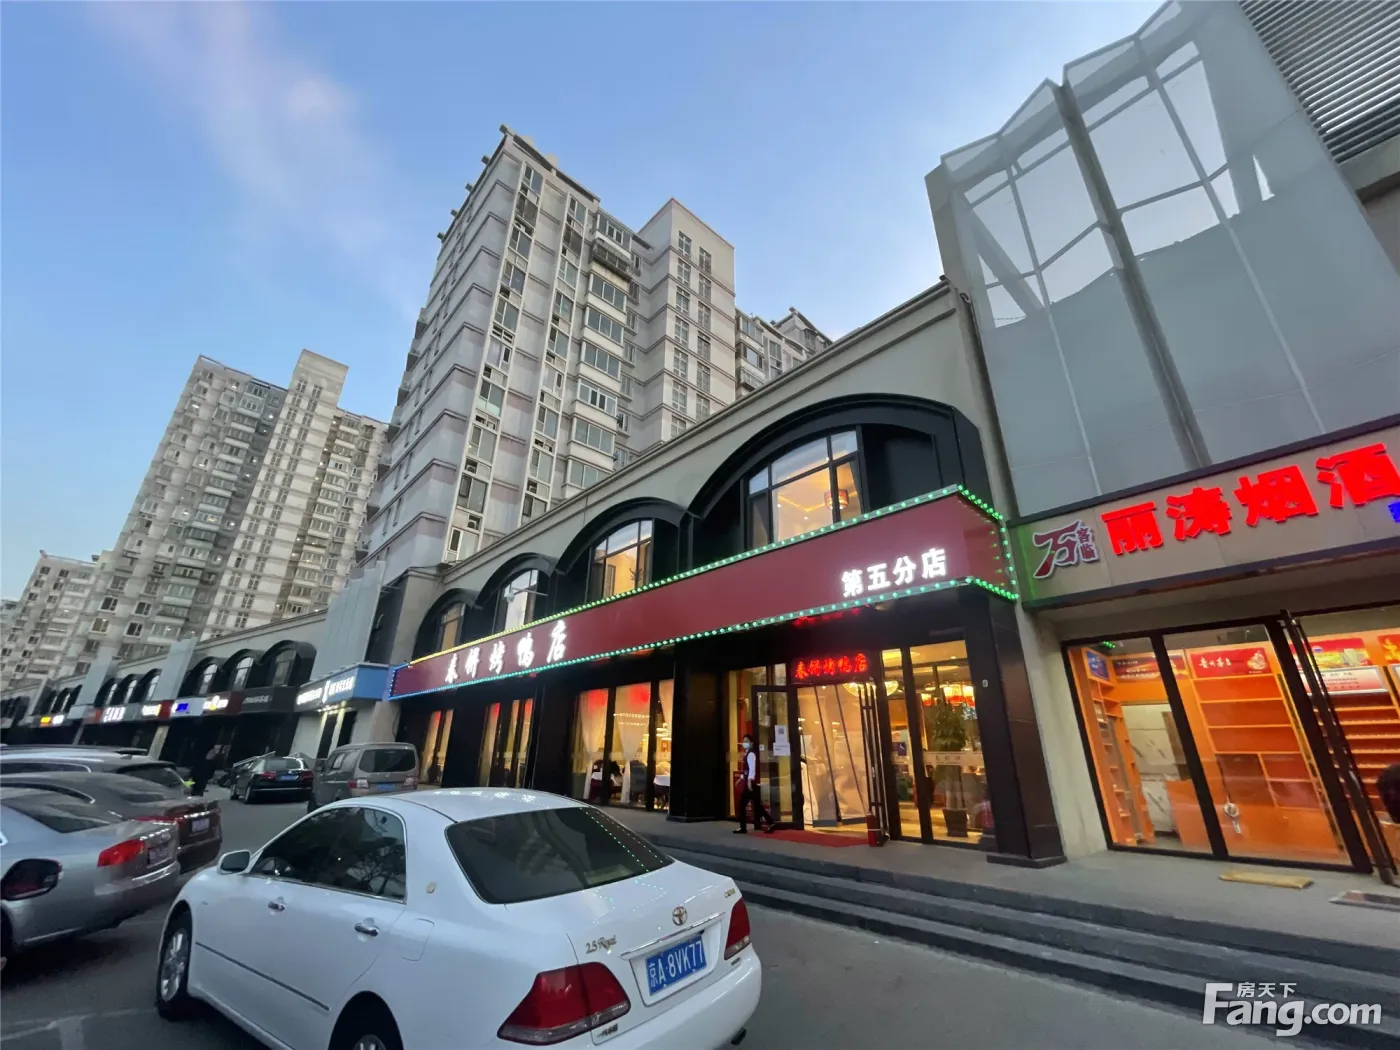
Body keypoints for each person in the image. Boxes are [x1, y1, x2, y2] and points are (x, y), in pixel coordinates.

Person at [735, 734, 775, 834]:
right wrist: (740, 779)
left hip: (750, 784)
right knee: (757, 805)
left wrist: (749, 781)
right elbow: (746, 770)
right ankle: (770, 822)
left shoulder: (751, 754)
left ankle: (743, 827)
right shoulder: (747, 753)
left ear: (751, 743)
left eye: (746, 741)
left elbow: (752, 769)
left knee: (742, 805)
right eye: (743, 741)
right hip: (750, 783)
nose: (744, 743)